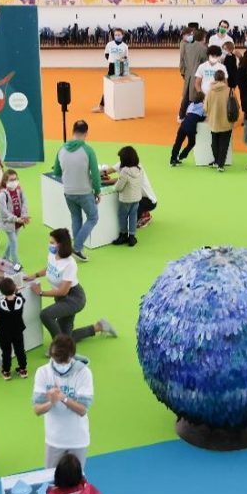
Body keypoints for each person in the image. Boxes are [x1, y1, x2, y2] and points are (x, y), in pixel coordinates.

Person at [33, 228, 115, 343]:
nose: (49, 245)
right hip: (60, 298)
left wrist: (41, 293)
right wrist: (34, 275)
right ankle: (99, 326)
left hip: (73, 299)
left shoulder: (70, 263)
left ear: (61, 244)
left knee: (45, 315)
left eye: (52, 243)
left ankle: (59, 345)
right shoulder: (52, 254)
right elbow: (50, 268)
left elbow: (63, 291)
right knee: (67, 337)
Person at [33, 335, 94, 468]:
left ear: (71, 356)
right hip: (54, 440)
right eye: (56, 360)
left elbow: (83, 410)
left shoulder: (84, 373)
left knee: (76, 479)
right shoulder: (42, 372)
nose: (59, 364)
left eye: (63, 361)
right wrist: (51, 402)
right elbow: (37, 410)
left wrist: (64, 398)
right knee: (50, 478)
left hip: (78, 440)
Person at [51, 119, 101, 260]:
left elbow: (56, 172)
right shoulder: (88, 150)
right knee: (93, 217)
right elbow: (95, 174)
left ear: (73, 131)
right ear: (86, 133)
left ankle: (78, 250)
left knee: (75, 217)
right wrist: (97, 191)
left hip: (68, 191)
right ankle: (77, 247)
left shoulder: (61, 149)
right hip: (84, 191)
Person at [111, 146, 153, 247]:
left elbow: (119, 187)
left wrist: (113, 187)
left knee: (122, 216)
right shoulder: (139, 169)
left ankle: (123, 235)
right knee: (133, 217)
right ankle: (132, 237)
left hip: (125, 199)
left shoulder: (124, 171)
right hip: (136, 199)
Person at [0, 276, 29, 380]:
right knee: (20, 350)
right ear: (14, 288)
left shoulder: (0, 304)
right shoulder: (20, 300)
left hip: (4, 333)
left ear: (1, 291)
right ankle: (23, 370)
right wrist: (17, 292)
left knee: (6, 352)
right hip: (18, 331)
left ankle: (6, 372)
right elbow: (21, 298)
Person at [0, 169, 29, 265]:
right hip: (8, 223)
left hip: (18, 222)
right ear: (5, 181)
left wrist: (24, 215)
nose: (14, 182)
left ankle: (5, 257)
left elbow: (25, 202)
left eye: (16, 179)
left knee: (11, 241)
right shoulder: (2, 195)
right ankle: (16, 265)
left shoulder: (19, 190)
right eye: (11, 180)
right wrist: (17, 219)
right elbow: (4, 213)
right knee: (14, 243)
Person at [203, 69, 234, 171]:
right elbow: (236, 105)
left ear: (214, 78)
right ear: (224, 78)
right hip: (227, 121)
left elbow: (205, 108)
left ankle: (216, 161)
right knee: (224, 144)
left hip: (214, 121)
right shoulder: (230, 90)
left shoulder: (210, 91)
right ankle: (220, 165)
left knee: (214, 143)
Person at [177, 22, 208, 121]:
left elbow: (183, 60)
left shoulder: (188, 46)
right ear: (203, 38)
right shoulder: (203, 48)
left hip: (189, 74)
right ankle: (193, 116)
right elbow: (206, 62)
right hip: (198, 75)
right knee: (196, 97)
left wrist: (183, 71)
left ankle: (182, 115)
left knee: (187, 96)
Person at [171, 92, 206, 166]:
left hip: (183, 125)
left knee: (178, 143)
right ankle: (182, 155)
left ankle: (173, 159)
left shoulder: (191, 104)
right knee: (192, 143)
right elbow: (202, 118)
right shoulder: (203, 106)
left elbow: (187, 113)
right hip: (191, 127)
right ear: (203, 98)